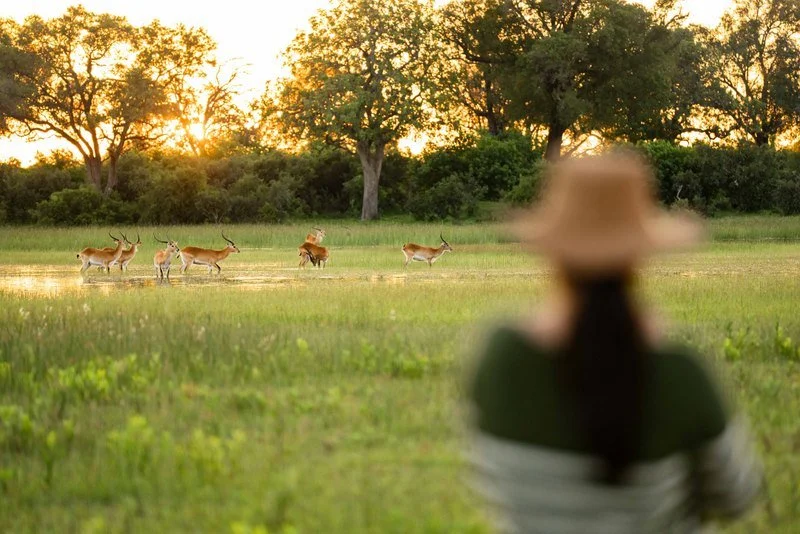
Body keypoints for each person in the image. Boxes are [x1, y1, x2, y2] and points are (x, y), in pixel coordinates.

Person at [466, 152, 762, 533]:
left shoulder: (501, 359)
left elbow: (486, 483)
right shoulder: (680, 373)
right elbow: (735, 497)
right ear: (639, 257)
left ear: (555, 256)